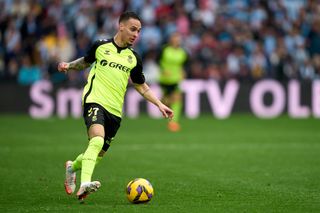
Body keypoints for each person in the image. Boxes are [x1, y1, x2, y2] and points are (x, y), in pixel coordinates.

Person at [57, 11, 173, 202]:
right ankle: (85, 183)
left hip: (115, 111)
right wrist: (68, 65)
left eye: (139, 31)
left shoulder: (134, 58)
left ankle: (72, 167)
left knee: (98, 154)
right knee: (96, 140)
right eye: (133, 29)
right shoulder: (101, 46)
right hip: (94, 99)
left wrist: (160, 104)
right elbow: (84, 63)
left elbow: (141, 86)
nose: (136, 34)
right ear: (121, 26)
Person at [158, 32, 188, 132]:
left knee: (177, 98)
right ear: (171, 39)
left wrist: (183, 72)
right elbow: (158, 61)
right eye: (174, 38)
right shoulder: (164, 49)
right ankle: (165, 109)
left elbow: (184, 64)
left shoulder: (182, 52)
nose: (176, 40)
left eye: (178, 38)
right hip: (165, 79)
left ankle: (173, 122)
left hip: (176, 79)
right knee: (167, 100)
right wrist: (163, 69)